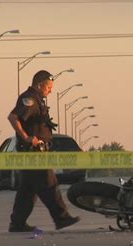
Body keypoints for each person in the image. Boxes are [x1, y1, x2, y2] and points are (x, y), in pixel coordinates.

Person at [7, 70, 80, 232]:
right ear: (40, 84)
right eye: (48, 87)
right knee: (50, 184)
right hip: (33, 152)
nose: (51, 91)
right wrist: (27, 137)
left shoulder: (37, 100)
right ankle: (61, 218)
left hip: (34, 152)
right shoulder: (30, 100)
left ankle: (17, 223)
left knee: (27, 190)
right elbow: (13, 117)